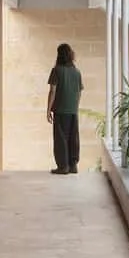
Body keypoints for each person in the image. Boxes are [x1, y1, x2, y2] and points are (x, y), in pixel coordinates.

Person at [46, 43, 84, 175]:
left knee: (61, 138)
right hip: (73, 110)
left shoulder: (56, 70)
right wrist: (75, 107)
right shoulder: (77, 72)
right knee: (73, 137)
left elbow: (52, 91)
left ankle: (63, 166)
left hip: (60, 110)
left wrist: (48, 109)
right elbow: (79, 92)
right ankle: (73, 165)